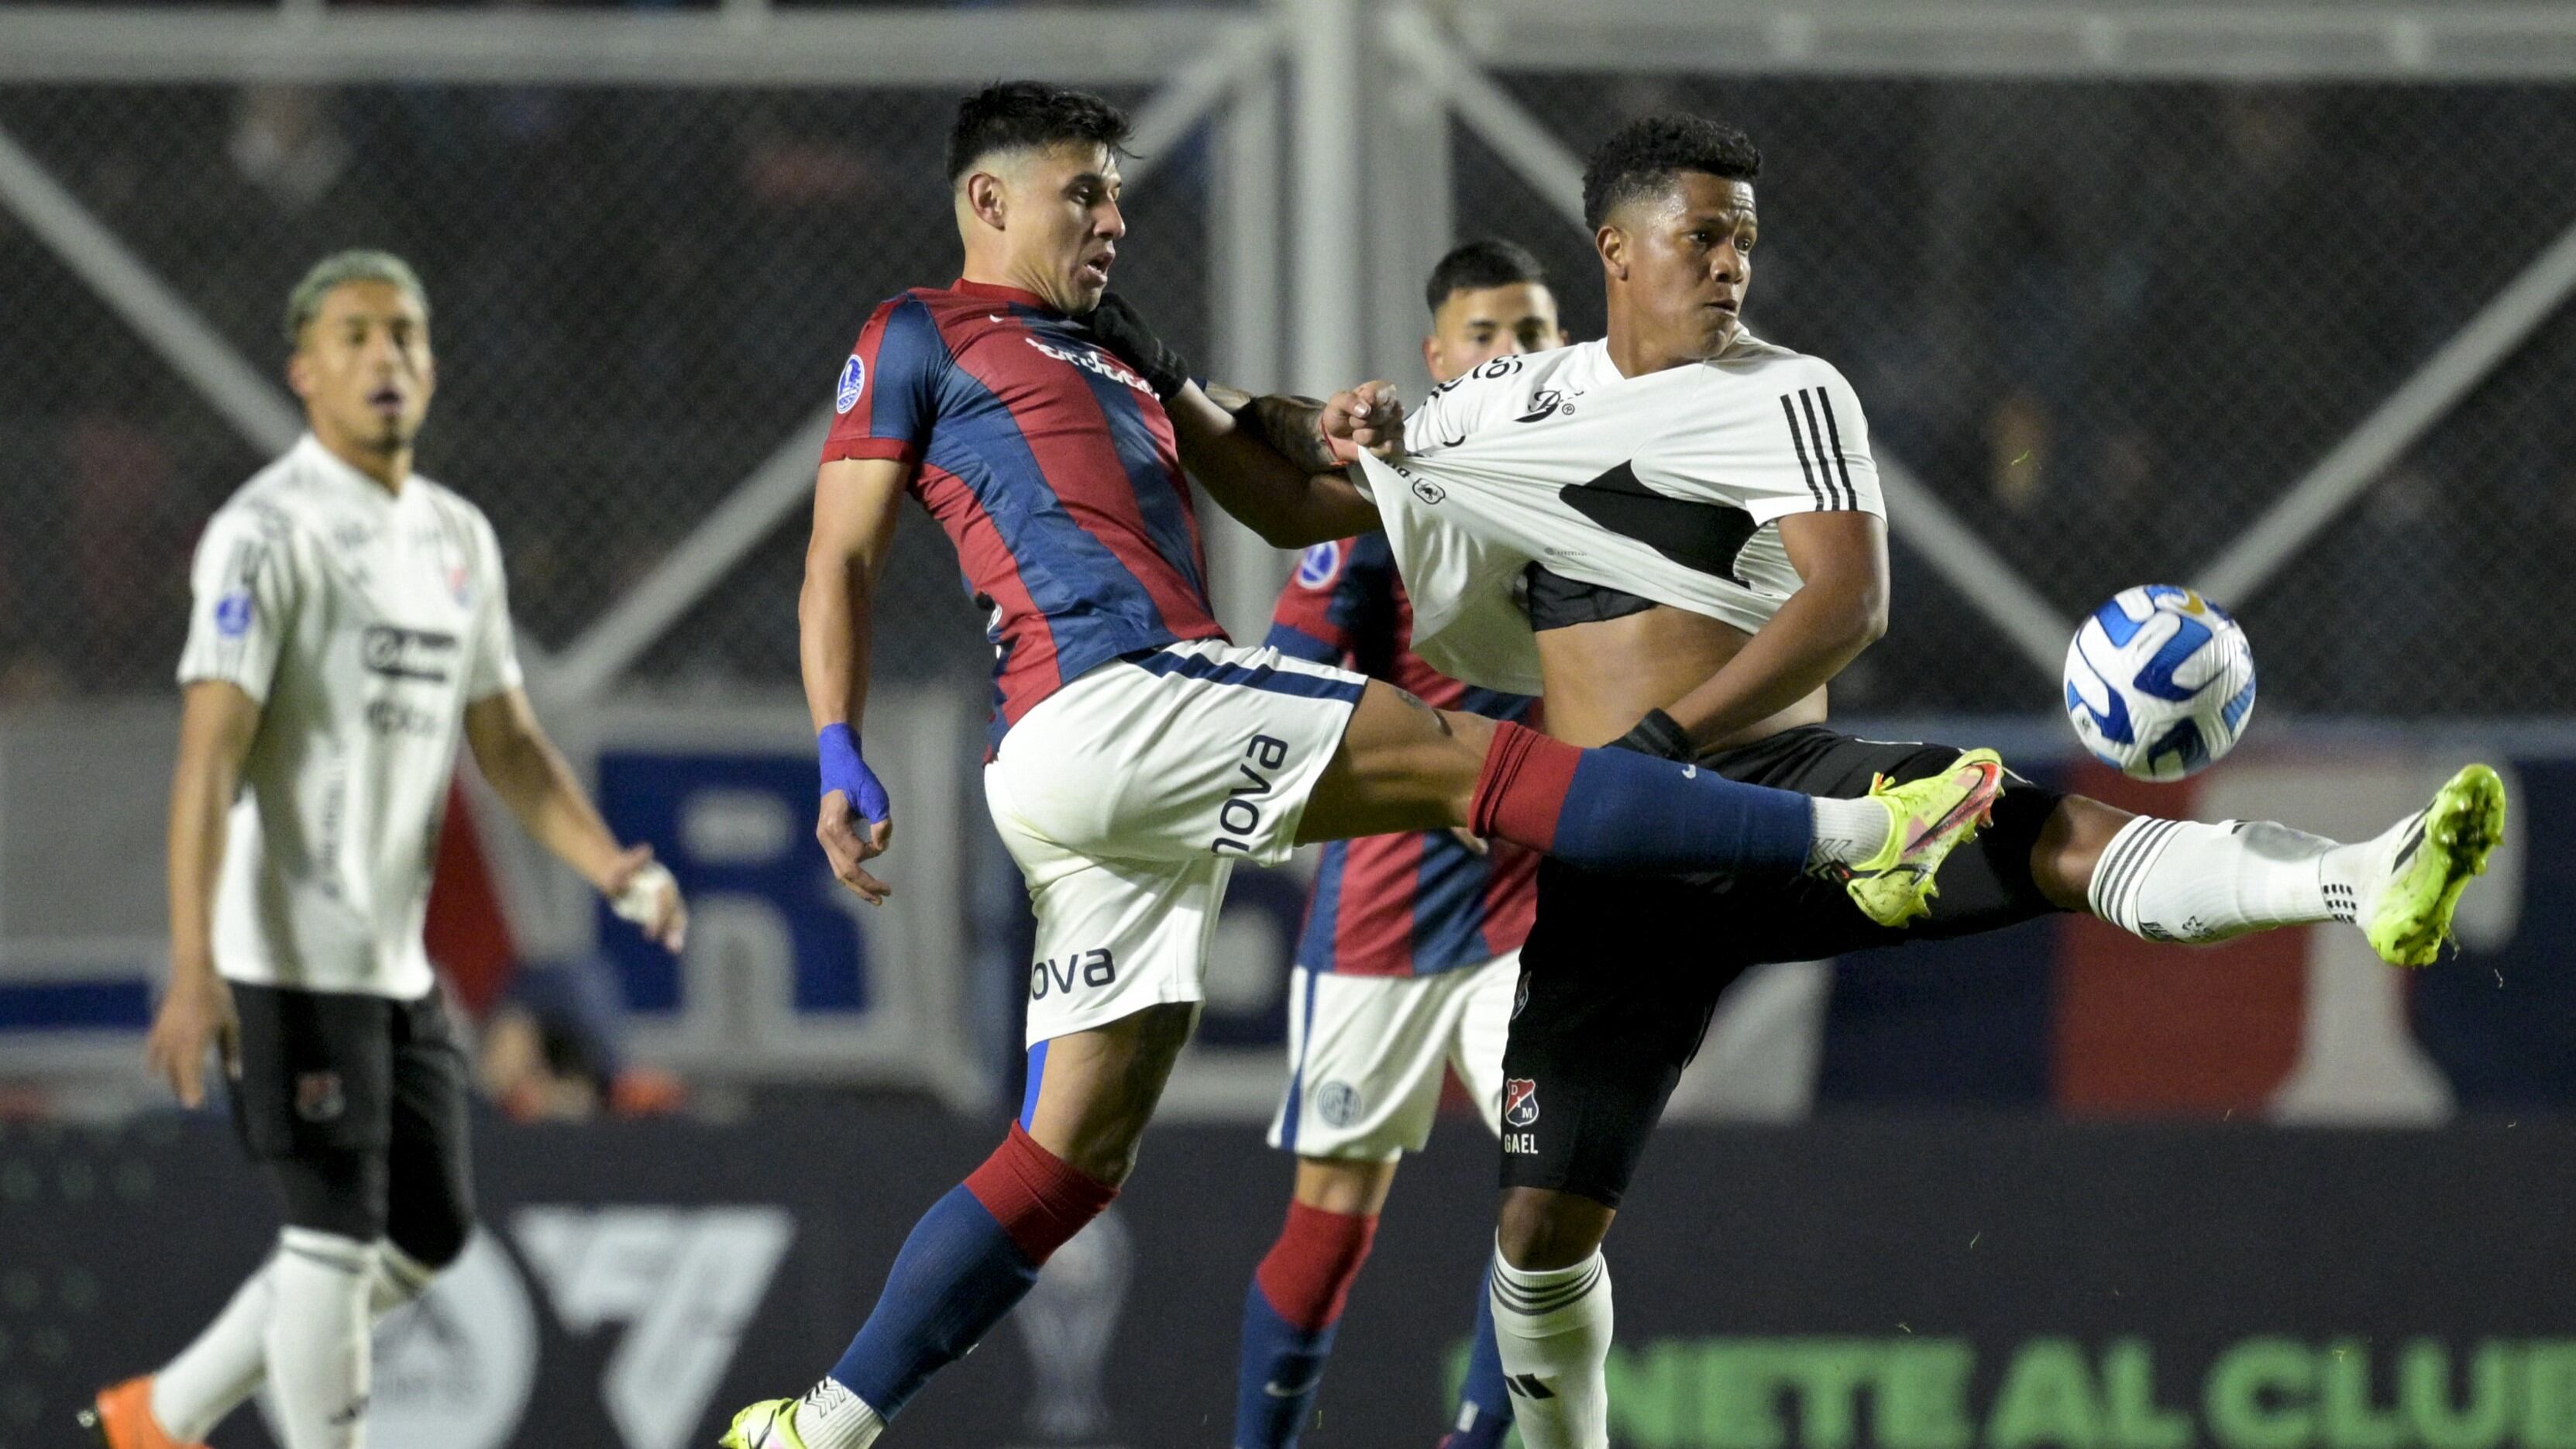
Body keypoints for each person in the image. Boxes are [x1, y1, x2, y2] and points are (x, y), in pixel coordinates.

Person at [724, 83, 2000, 1449]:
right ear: (988, 201)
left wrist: (1323, 425)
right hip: (1117, 699)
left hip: (1102, 779)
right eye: (1079, 192)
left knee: (1069, 1157)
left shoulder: (1117, 350)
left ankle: (818, 1426)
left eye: (1115, 192)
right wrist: (837, 746)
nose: (1109, 218)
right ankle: (1858, 840)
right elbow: (837, 556)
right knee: (1478, 759)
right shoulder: (919, 331)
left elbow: (1252, 453)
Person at [1279, 114, 2507, 1448]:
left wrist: (1662, 748)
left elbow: (1847, 605)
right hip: (1615, 857)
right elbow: (1291, 483)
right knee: (1537, 1227)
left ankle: (2358, 877)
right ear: (1616, 250)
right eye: (1703, 234)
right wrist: (1310, 418)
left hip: (1773, 791)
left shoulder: (1789, 389)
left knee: (2046, 838)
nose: (1732, 260)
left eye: (1744, 234)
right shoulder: (1510, 412)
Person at [82, 250, 689, 1449]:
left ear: (432, 363)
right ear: (304, 371)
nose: (385, 357)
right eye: (354, 336)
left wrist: (610, 863)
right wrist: (197, 963)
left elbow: (507, 742)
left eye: (404, 334)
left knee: (428, 1238)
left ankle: (164, 1413)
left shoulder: (457, 537)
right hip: (282, 954)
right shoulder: (264, 534)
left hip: (395, 968)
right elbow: (207, 759)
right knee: (335, 1239)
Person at [1224, 239, 1564, 1449]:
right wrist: (1424, 781)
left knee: (1552, 1191)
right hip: (1381, 909)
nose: (1513, 353)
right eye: (1486, 334)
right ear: (1439, 358)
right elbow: (1295, 687)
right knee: (1327, 1226)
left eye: (1533, 331)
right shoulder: (1385, 492)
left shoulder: (1595, 482)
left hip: (1528, 912)